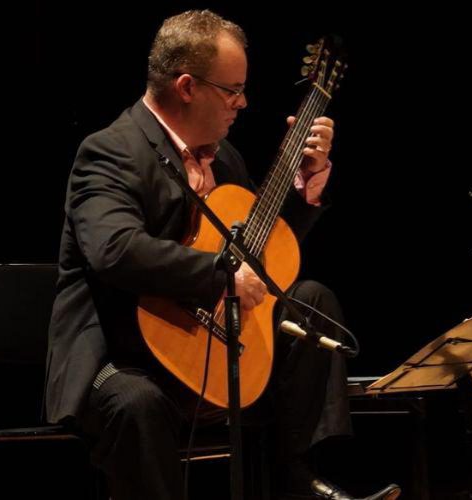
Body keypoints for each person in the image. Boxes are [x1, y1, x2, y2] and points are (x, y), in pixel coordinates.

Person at [44, 9, 399, 500]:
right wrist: (221, 273)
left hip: (208, 346)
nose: (243, 102)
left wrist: (304, 191)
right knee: (137, 404)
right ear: (187, 86)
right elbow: (114, 250)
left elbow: (261, 255)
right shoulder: (111, 150)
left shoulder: (224, 156)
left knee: (311, 303)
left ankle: (300, 481)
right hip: (123, 356)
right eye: (232, 90)